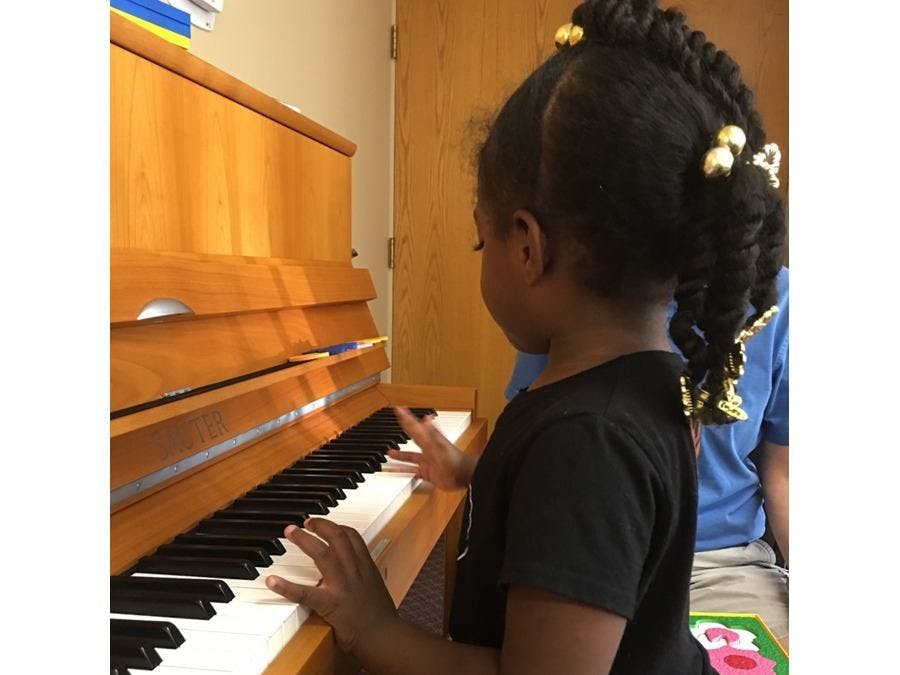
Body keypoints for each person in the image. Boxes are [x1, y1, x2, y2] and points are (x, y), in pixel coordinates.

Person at [265, 1, 785, 672]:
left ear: (528, 247)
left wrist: (375, 628)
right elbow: (599, 520)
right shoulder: (640, 384)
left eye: (482, 238)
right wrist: (475, 473)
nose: (481, 253)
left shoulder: (589, 438)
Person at [506, 268, 789, 649]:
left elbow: (785, 477)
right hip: (579, 557)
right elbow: (529, 448)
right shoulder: (572, 273)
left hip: (720, 565)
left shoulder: (782, 298)